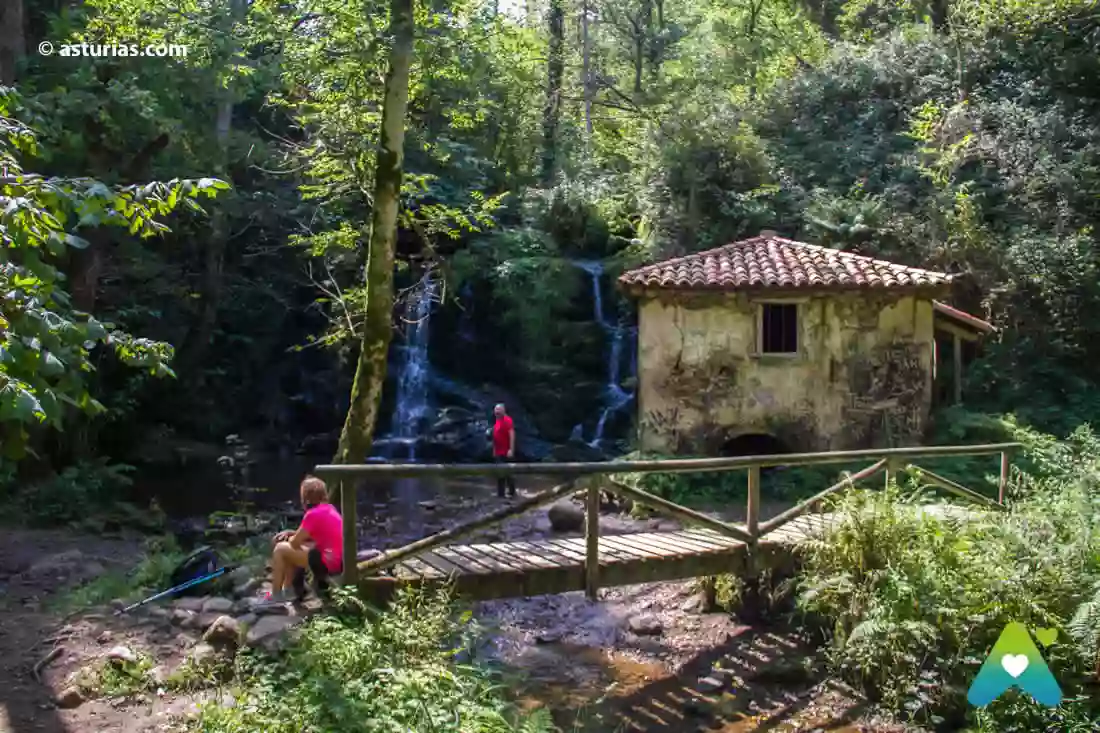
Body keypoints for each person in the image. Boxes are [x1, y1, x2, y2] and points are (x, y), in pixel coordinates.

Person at [259, 475, 343, 606]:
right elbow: (313, 536)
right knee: (289, 551)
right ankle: (288, 591)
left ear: (305, 498)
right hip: (336, 560)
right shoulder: (329, 509)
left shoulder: (312, 514)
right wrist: (291, 533)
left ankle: (274, 597)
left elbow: (294, 543)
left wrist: (289, 538)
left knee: (281, 549)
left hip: (326, 563)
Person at [492, 403, 516, 498]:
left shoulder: (507, 420)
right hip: (498, 451)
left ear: (503, 410)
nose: (497, 412)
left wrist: (511, 449)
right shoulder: (497, 421)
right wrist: (494, 450)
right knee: (500, 473)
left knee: (508, 473)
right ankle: (500, 494)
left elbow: (512, 435)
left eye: (499, 410)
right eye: (496, 410)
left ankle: (512, 492)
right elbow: (495, 436)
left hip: (506, 451)